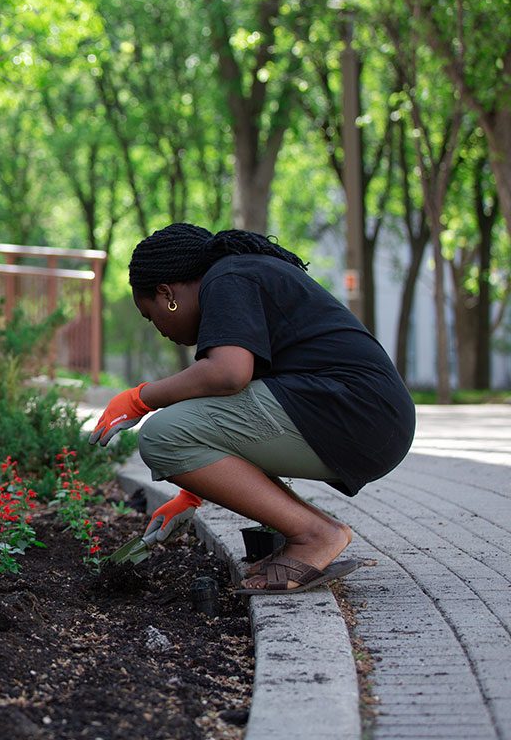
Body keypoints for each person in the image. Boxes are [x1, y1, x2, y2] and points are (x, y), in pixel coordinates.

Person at [89, 223, 415, 595]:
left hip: (355, 409)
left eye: (151, 315)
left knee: (161, 436)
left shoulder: (227, 278)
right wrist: (192, 494)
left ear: (167, 294)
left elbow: (228, 375)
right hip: (371, 418)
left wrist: (139, 398)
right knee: (173, 434)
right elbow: (232, 414)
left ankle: (314, 535)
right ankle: (313, 532)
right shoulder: (240, 277)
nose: (158, 328)